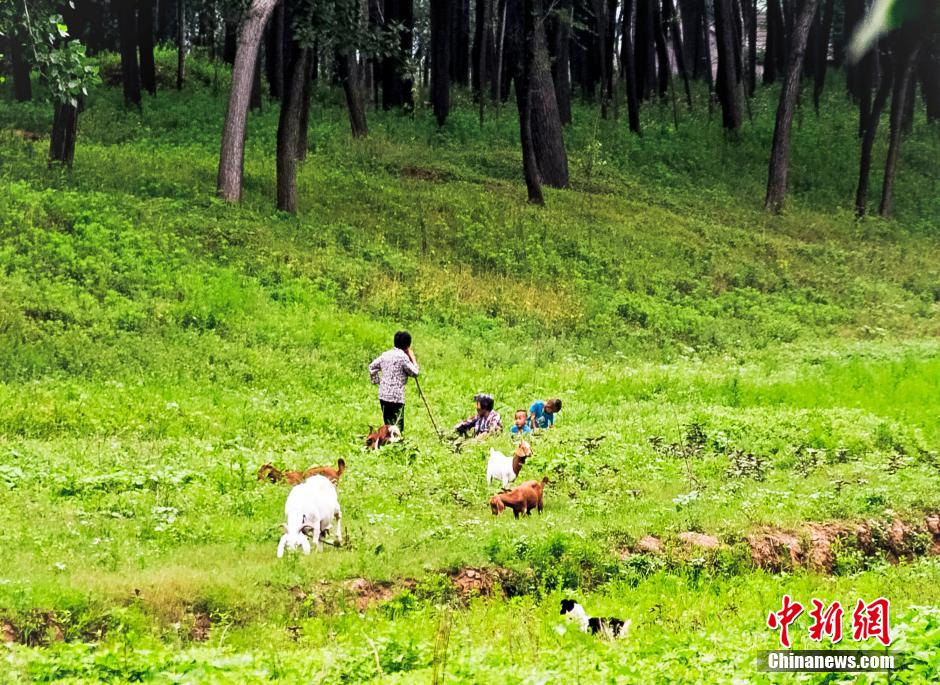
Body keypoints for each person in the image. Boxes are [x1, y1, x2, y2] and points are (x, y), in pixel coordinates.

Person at [368, 331, 419, 432]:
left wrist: (377, 381)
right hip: (396, 398)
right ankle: (395, 445)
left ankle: (386, 443)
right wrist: (413, 358)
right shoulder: (403, 357)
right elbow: (415, 372)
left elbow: (372, 366)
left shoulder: (386, 354)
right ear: (408, 345)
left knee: (388, 424)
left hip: (383, 395)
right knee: (397, 427)